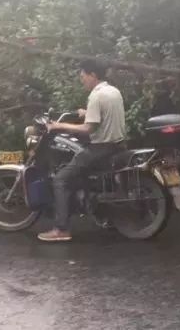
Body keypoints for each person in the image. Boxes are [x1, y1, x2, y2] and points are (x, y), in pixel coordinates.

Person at [37, 59, 127, 243]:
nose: (82, 80)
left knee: (61, 179)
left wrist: (58, 125)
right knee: (78, 172)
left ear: (93, 75)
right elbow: (105, 116)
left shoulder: (96, 96)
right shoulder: (113, 91)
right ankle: (94, 209)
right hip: (118, 145)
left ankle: (61, 229)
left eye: (83, 76)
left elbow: (88, 129)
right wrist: (87, 112)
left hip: (101, 148)